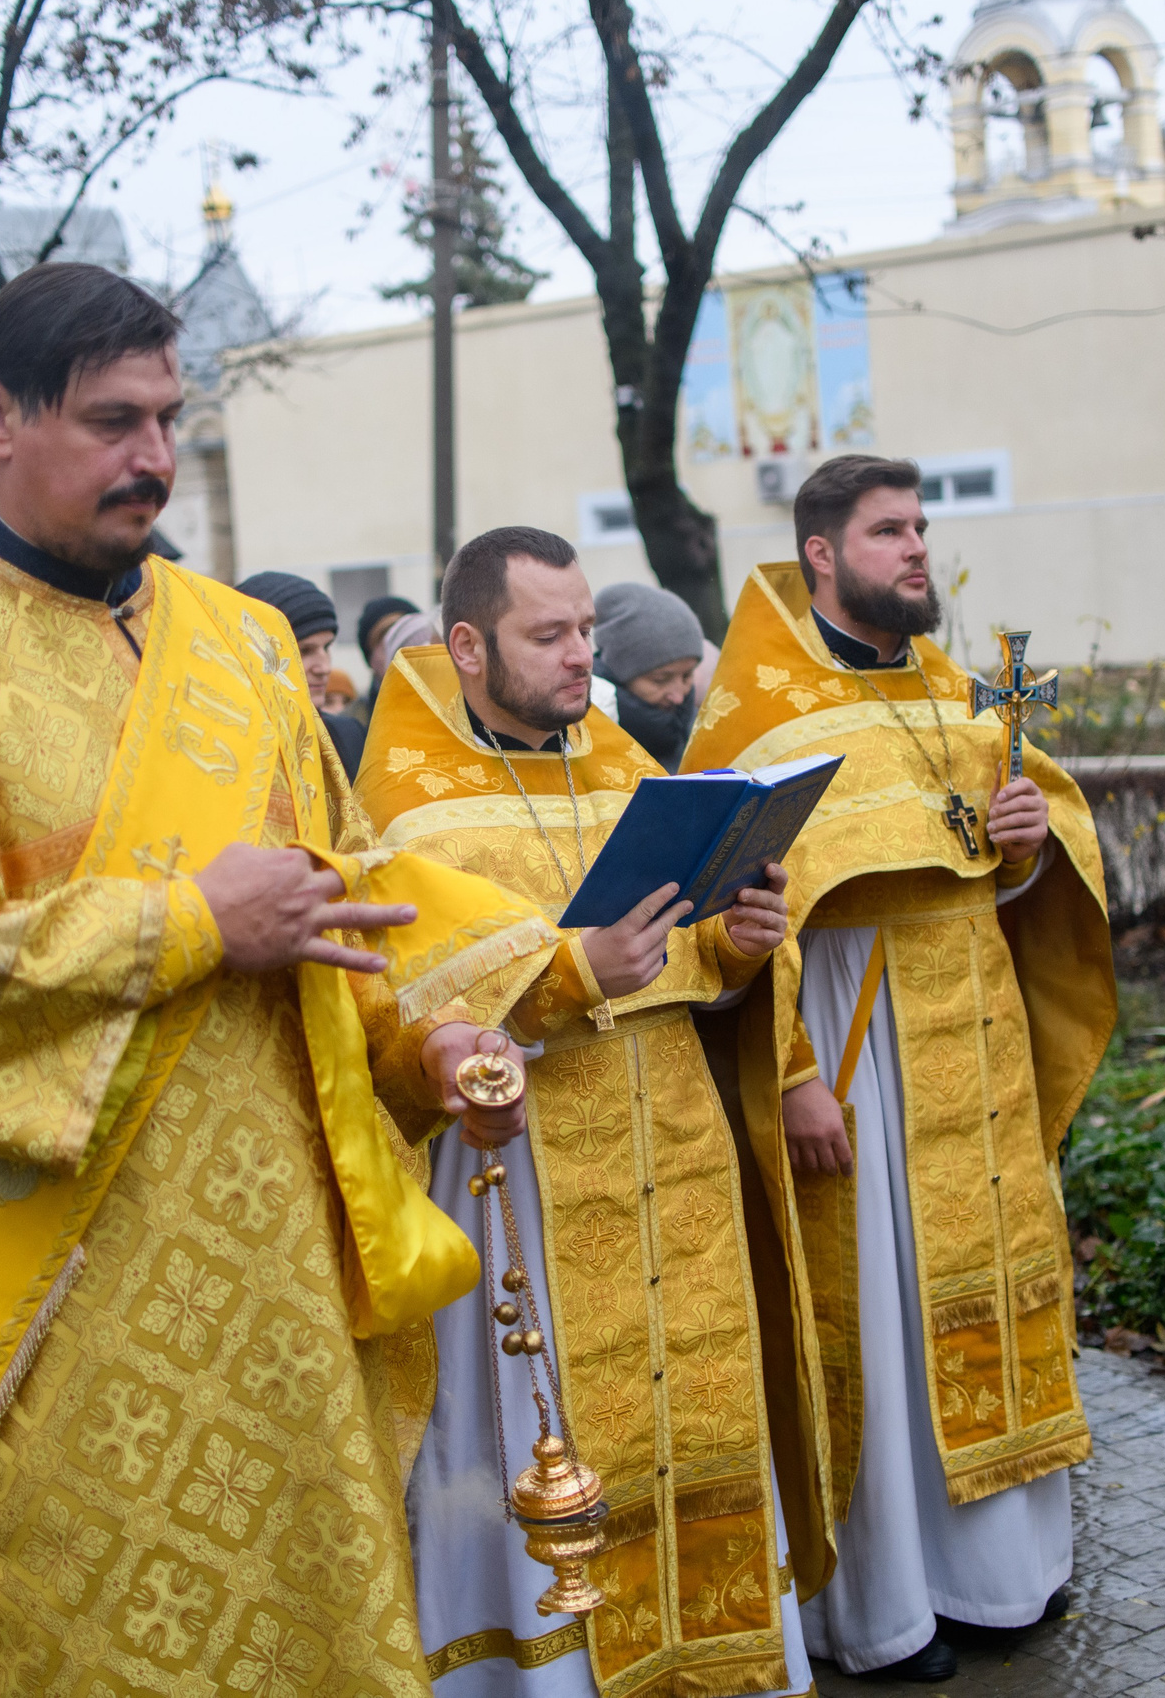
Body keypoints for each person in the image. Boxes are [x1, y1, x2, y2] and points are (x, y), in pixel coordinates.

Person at [0, 260, 564, 1692]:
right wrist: (186, 923)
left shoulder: (241, 642)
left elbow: (340, 901)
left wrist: (422, 1048)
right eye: (111, 421)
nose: (154, 456)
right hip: (61, 1292)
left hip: (281, 1274)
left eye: (168, 419)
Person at [358, 525, 817, 1697]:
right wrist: (569, 975)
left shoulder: (619, 767)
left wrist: (737, 943)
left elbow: (688, 961)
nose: (580, 656)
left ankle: (705, 1662)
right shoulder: (402, 810)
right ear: (468, 646)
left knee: (694, 1416)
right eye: (548, 634)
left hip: (674, 1161)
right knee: (531, 1432)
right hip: (517, 1183)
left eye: (585, 631)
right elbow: (393, 1008)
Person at [680, 455, 1116, 1683]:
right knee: (875, 1315)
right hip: (853, 1038)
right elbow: (725, 912)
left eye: (920, 527)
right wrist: (792, 1076)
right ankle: (890, 1607)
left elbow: (1005, 872)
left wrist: (1026, 849)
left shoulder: (957, 696)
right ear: (820, 554)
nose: (916, 548)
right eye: (887, 531)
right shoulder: (755, 716)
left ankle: (1004, 1575)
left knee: (991, 1297)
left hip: (976, 1048)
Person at [237, 570, 368, 777]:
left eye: (327, 647)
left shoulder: (348, 735)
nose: (324, 668)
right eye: (304, 651)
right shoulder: (227, 744)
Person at [591, 582, 706, 772]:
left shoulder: (700, 728)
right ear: (619, 675)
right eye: (660, 680)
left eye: (687, 676)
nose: (679, 697)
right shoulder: (584, 736)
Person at [356, 592, 419, 721]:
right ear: (370, 659)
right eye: (385, 636)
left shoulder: (456, 705)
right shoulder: (355, 724)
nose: (399, 645)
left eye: (407, 633)